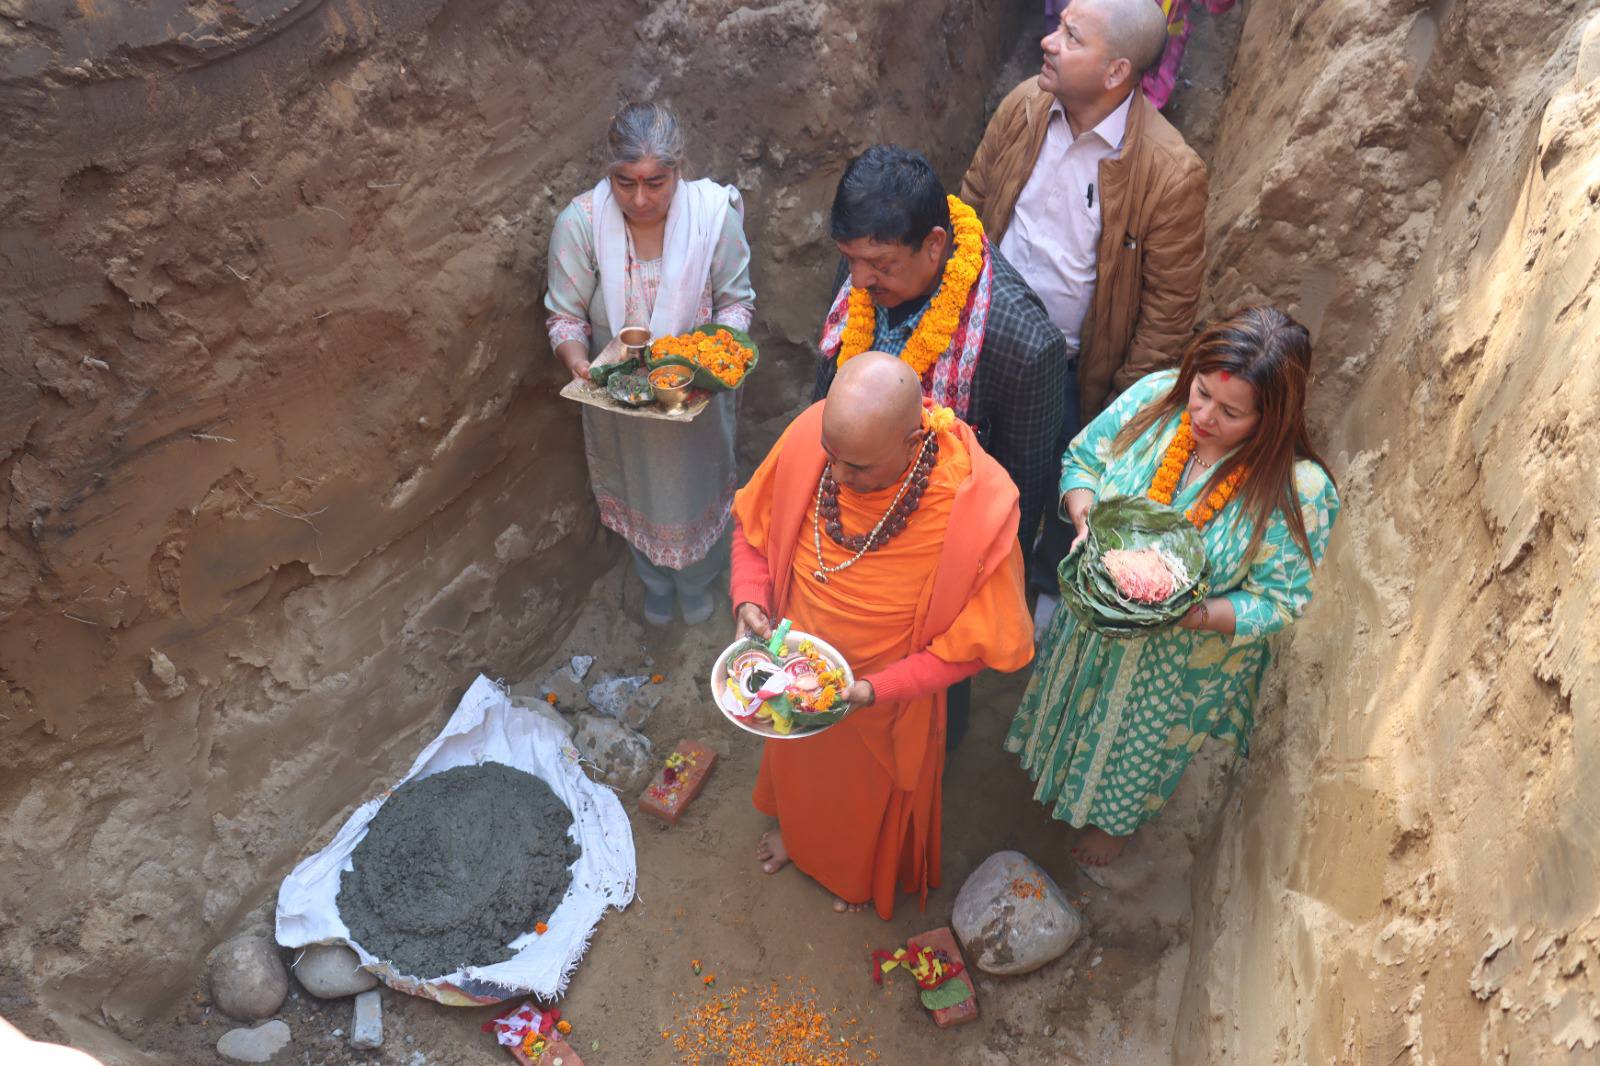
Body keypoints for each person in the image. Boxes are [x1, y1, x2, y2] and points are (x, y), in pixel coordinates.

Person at [1007, 306, 1340, 866]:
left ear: (1272, 419)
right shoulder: (1160, 397)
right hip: (1094, 625)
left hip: (1174, 665)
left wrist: (1192, 614)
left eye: (1231, 412)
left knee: (1134, 753)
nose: (1204, 416)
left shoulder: (1297, 491)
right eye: (1202, 393)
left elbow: (1280, 602)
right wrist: (1087, 522)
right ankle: (1056, 777)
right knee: (1072, 708)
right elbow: (1084, 460)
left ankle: (1113, 827)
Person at [732, 353, 1033, 918]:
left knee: (862, 802)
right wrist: (749, 596)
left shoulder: (972, 504)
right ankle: (798, 837)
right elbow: (753, 531)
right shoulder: (811, 440)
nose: (837, 476)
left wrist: (877, 690)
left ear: (912, 441)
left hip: (886, 706)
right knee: (800, 769)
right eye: (832, 456)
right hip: (793, 677)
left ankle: (850, 874)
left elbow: (974, 647)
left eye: (859, 468)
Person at [961, 0, 1209, 629]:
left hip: (1069, 371)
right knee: (966, 466)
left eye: (1071, 37)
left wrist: (1118, 413)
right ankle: (965, 581)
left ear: (1116, 71)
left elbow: (1167, 313)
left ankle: (1046, 590)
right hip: (982, 333)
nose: (1048, 41)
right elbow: (974, 201)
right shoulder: (1026, 105)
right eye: (1058, 27)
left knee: (1058, 486)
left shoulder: (1170, 173)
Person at [813, 145, 1067, 748]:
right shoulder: (868, 270)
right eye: (850, 261)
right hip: (850, 524)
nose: (858, 282)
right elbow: (828, 392)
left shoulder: (1023, 343)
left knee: (928, 713)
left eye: (877, 265)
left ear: (934, 245)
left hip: (939, 559)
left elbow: (1019, 497)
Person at [546, 102, 755, 625]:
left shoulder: (713, 217)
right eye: (625, 183)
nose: (640, 199)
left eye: (655, 183)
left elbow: (736, 302)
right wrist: (579, 363)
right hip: (621, 408)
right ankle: (655, 582)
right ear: (608, 173)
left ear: (678, 171)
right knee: (637, 489)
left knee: (699, 490)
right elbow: (565, 316)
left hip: (697, 404)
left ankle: (699, 582)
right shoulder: (581, 224)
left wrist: (715, 358)